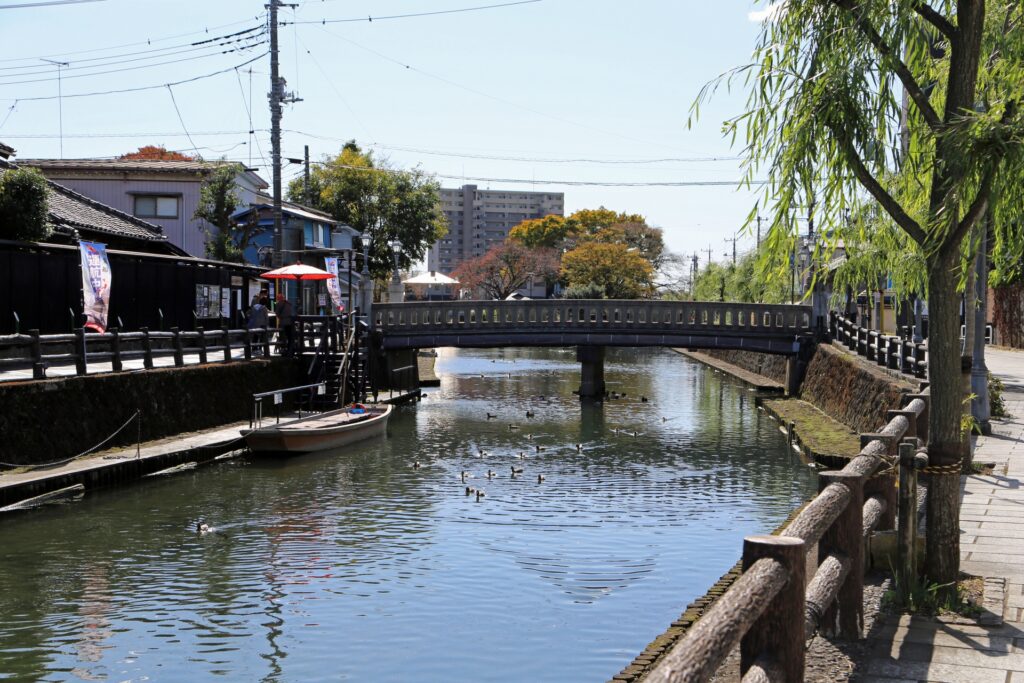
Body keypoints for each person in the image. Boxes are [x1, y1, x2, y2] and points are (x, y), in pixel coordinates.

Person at [275, 292, 295, 357]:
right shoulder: (289, 303)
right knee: (290, 337)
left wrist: (280, 317)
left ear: (278, 299)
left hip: (283, 322)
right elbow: (292, 312)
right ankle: (290, 350)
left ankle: (283, 350)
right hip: (290, 322)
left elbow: (277, 314)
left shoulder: (278, 304)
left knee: (283, 337)